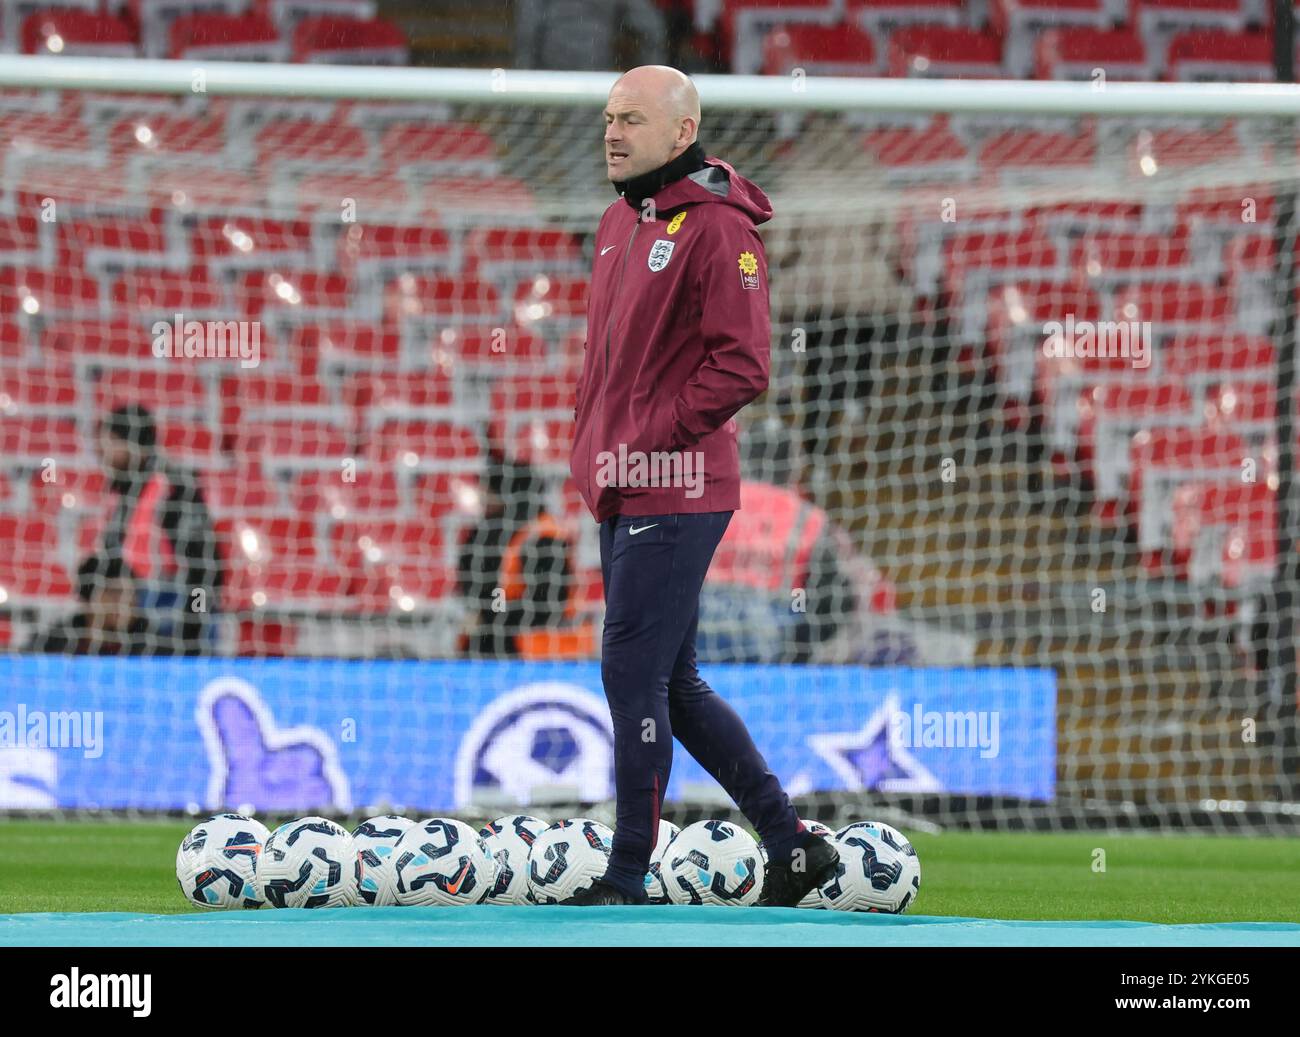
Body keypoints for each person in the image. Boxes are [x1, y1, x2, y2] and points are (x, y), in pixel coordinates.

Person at [566, 65, 839, 906]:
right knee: (672, 684)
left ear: (682, 133)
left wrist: (651, 437)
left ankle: (626, 872)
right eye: (610, 117)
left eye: (633, 120)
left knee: (630, 674)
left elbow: (742, 366)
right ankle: (791, 844)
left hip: (679, 483)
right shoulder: (619, 219)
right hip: (626, 483)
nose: (613, 132)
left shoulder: (719, 231)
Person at [95, 404, 223, 655]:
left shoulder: (172, 486)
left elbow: (203, 563)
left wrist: (193, 624)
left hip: (174, 613)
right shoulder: (122, 490)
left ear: (132, 443)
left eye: (110, 443)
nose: (103, 452)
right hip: (140, 618)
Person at [456, 451, 595, 658]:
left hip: (552, 650)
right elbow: (497, 593)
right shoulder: (500, 536)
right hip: (517, 642)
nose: (483, 499)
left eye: (489, 491)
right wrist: (490, 611)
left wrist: (491, 614)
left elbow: (546, 606)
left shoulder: (544, 538)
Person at [23, 554, 163, 656]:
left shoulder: (154, 644)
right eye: (115, 592)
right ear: (88, 597)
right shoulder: (55, 641)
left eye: (132, 593)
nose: (126, 602)